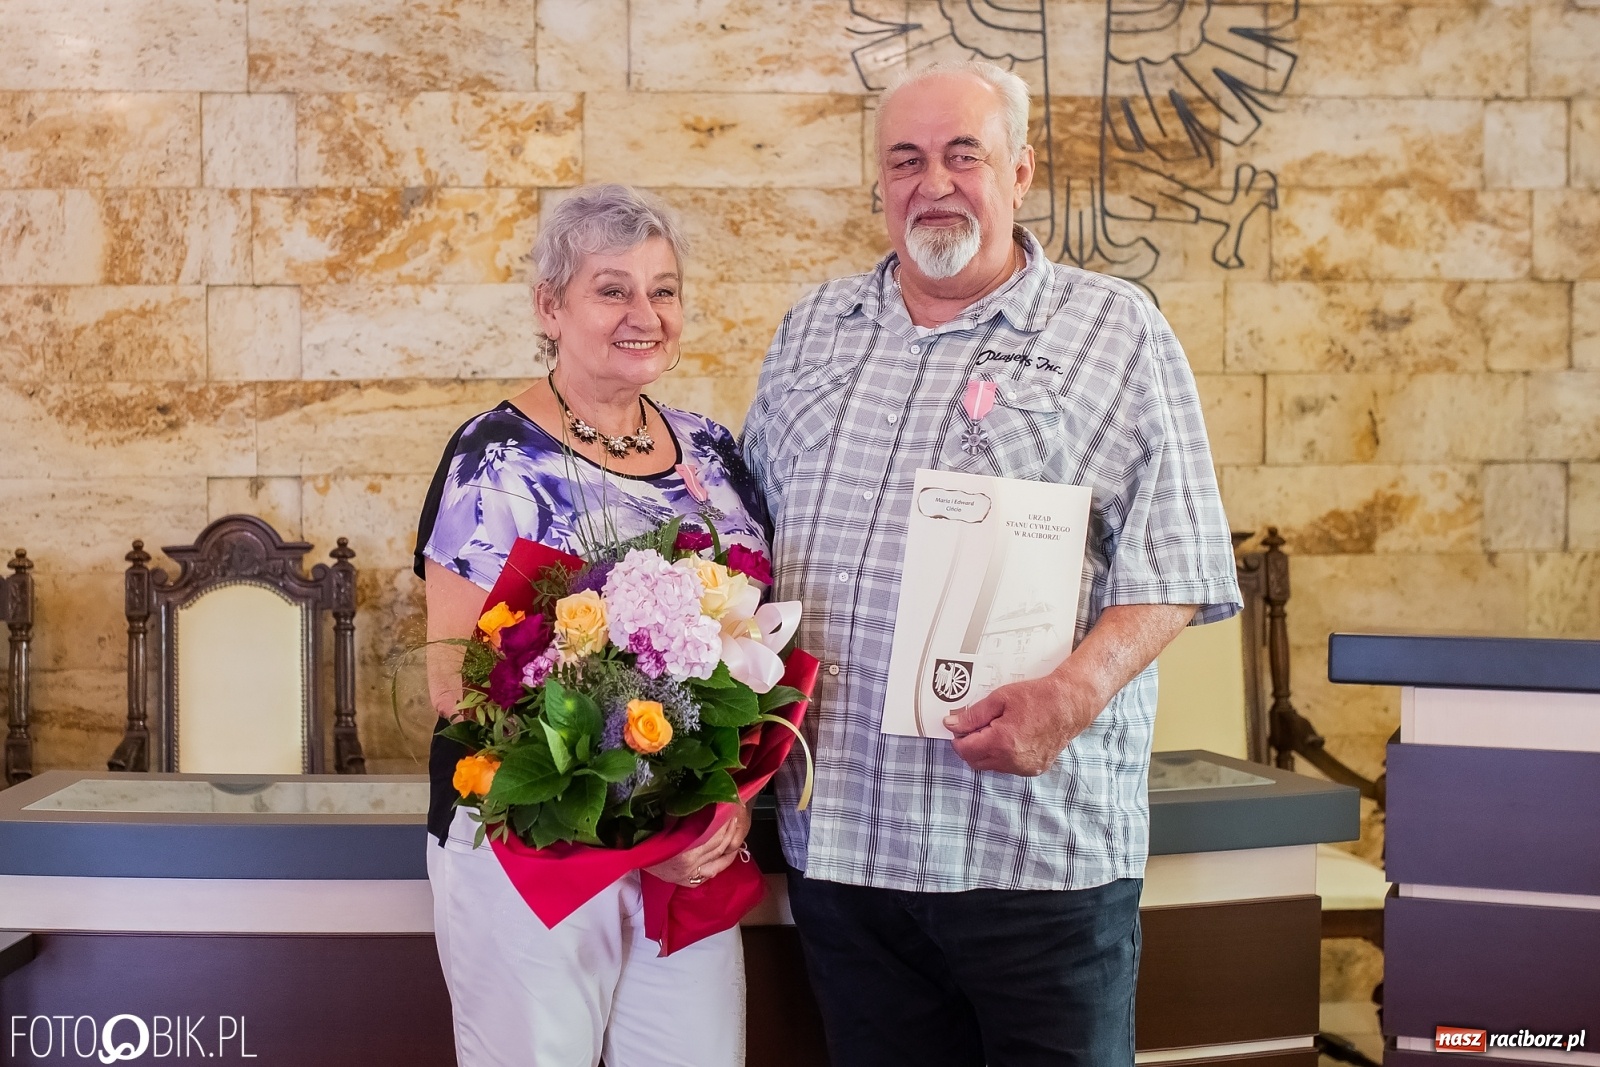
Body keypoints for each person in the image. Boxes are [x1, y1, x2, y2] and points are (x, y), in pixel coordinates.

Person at [741, 61, 1242, 1067]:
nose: (934, 181)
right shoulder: (810, 331)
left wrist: (1075, 687)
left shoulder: (1116, 332)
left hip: (1031, 856)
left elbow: (1177, 559)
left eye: (962, 155)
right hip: (843, 848)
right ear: (879, 182)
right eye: (906, 159)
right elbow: (748, 553)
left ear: (1018, 173)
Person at [413, 184, 769, 1067]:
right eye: (612, 289)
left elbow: (751, 648)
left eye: (665, 289)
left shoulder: (715, 454)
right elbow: (453, 685)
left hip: (685, 861)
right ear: (550, 305)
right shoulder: (494, 457)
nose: (644, 314)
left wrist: (718, 803)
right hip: (534, 846)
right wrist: (633, 829)